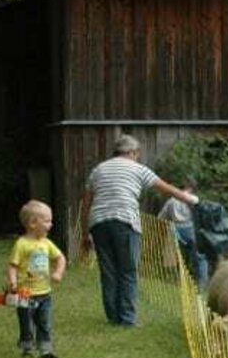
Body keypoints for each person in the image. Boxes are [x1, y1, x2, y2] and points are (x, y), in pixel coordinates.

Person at [82, 134, 198, 327]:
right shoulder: (138, 168)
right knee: (128, 270)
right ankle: (127, 319)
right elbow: (166, 189)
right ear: (133, 152)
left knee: (108, 271)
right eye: (137, 154)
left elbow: (86, 203)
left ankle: (113, 316)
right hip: (125, 221)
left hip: (99, 223)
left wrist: (86, 232)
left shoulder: (98, 170)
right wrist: (192, 200)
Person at [7, 199, 66, 358]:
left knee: (44, 323)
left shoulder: (46, 243)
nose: (51, 224)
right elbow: (13, 265)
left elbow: (60, 258)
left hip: (44, 293)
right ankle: (27, 348)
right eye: (47, 221)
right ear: (33, 223)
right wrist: (12, 282)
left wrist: (58, 273)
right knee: (26, 323)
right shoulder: (22, 244)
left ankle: (45, 350)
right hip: (25, 294)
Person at [158, 177, 209, 289]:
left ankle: (177, 282)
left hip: (175, 228)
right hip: (190, 228)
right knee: (199, 256)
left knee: (177, 257)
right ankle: (201, 283)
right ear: (191, 188)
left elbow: (161, 217)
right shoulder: (193, 198)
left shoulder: (171, 200)